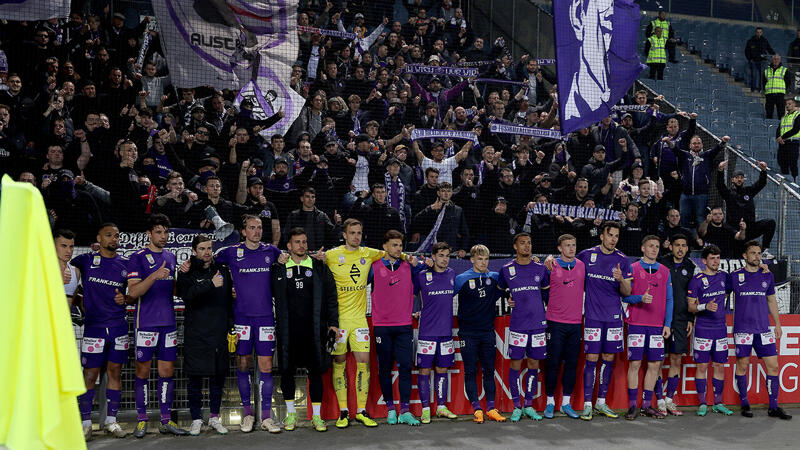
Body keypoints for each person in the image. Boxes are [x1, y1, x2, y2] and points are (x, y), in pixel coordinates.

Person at [214, 215, 285, 433]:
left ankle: (266, 417)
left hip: (265, 318)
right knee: (243, 364)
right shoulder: (231, 252)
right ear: (243, 231)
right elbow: (208, 260)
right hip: (241, 318)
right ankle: (247, 414)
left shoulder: (270, 251)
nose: (256, 231)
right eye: (252, 228)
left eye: (259, 228)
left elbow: (288, 258)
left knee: (265, 367)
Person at [322, 218, 390, 428]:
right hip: (338, 321)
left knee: (364, 363)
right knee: (339, 363)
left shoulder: (368, 253)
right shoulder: (332, 255)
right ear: (344, 235)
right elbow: (315, 261)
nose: (356, 236)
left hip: (360, 319)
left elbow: (392, 253)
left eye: (359, 233)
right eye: (352, 233)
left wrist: (412, 259)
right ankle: (343, 411)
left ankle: (361, 411)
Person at [272, 227, 339, 432]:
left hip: (314, 331)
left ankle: (317, 417)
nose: (302, 245)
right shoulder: (279, 268)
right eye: (297, 242)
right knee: (287, 373)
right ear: (289, 246)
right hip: (288, 331)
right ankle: (291, 416)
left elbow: (331, 297)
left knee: (316, 373)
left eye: (304, 242)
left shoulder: (318, 267)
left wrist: (333, 323)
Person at [126, 214, 187, 437]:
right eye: (159, 232)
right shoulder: (137, 257)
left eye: (166, 232)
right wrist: (153, 276)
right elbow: (133, 292)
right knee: (142, 371)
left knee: (167, 372)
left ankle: (165, 420)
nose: (163, 236)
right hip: (146, 324)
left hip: (168, 324)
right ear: (149, 234)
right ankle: (141, 420)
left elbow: (173, 290)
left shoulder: (171, 257)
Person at [71, 224, 129, 439]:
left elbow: (133, 293)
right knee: (89, 375)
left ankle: (111, 422)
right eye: (109, 235)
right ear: (99, 238)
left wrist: (126, 298)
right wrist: (76, 300)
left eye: (116, 235)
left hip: (118, 327)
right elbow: (67, 275)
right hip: (94, 328)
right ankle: (86, 423)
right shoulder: (85, 260)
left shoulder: (125, 263)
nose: (114, 238)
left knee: (115, 373)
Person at [575, 221, 632, 420]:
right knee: (591, 359)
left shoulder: (623, 260)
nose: (613, 239)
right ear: (602, 236)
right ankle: (587, 404)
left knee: (608, 359)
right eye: (610, 235)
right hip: (592, 317)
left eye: (616, 236)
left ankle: (601, 402)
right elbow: (568, 268)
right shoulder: (585, 255)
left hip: (614, 318)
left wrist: (621, 280)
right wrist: (548, 260)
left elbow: (627, 292)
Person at [177, 235, 232, 436]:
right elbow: (187, 295)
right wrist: (210, 283)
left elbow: (228, 302)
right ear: (194, 251)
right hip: (195, 334)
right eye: (202, 248)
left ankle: (215, 418)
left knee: (218, 378)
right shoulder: (185, 272)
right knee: (195, 381)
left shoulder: (223, 271)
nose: (207, 252)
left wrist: (230, 327)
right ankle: (196, 419)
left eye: (209, 248)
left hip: (218, 334)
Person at [732, 241, 792, 420]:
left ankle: (773, 407)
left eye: (759, 253)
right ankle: (745, 403)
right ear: (745, 256)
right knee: (742, 366)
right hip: (743, 330)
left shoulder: (767, 275)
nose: (757, 257)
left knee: (773, 367)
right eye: (753, 253)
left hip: (764, 330)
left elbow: (772, 300)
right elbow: (723, 297)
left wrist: (778, 324)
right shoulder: (735, 276)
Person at [369, 230, 424, 426]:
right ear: (384, 247)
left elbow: (422, 285)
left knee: (405, 368)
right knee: (384, 368)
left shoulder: (410, 266)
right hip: (382, 327)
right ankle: (391, 409)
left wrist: (420, 263)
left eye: (400, 245)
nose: (398, 249)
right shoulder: (373, 267)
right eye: (394, 245)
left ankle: (406, 411)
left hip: (404, 326)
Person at [495, 233, 548, 422]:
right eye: (523, 243)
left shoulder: (541, 269)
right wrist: (508, 300)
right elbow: (499, 292)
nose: (527, 246)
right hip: (517, 325)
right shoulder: (506, 269)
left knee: (534, 365)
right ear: (515, 247)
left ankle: (529, 405)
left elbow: (547, 297)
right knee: (515, 364)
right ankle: (517, 406)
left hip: (538, 325)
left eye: (529, 243)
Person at [623, 235, 673, 420]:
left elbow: (669, 299)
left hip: (656, 326)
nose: (654, 249)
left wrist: (667, 324)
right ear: (643, 248)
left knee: (654, 365)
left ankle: (646, 404)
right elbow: (624, 297)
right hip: (636, 324)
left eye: (657, 246)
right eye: (650, 246)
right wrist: (639, 298)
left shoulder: (665, 271)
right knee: (635, 364)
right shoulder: (632, 268)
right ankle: (632, 406)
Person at [455, 244, 506, 423]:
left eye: (486, 259)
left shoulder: (495, 277)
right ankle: (477, 409)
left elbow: (514, 285)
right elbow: (443, 297)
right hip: (468, 333)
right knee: (470, 371)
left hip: (487, 332)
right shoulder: (461, 279)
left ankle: (491, 408)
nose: (483, 262)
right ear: (472, 259)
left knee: (489, 371)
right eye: (479, 259)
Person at [414, 242, 459, 423]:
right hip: (426, 331)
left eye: (447, 255)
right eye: (441, 255)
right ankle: (425, 409)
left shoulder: (452, 274)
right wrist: (423, 264)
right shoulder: (422, 276)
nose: (444, 259)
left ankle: (441, 407)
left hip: (446, 332)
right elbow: (410, 284)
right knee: (424, 370)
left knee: (442, 369)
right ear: (433, 256)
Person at [687, 245, 733, 417]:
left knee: (719, 366)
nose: (716, 261)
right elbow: (690, 307)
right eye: (712, 258)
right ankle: (702, 403)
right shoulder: (697, 280)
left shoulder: (724, 277)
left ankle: (718, 402)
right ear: (704, 260)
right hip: (703, 329)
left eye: (718, 258)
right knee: (702, 366)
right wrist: (704, 306)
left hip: (721, 329)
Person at [542, 234, 584, 419]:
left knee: (572, 364)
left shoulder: (582, 266)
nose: (571, 249)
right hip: (555, 322)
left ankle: (566, 403)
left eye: (573, 245)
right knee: (552, 364)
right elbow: (541, 291)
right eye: (567, 245)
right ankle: (550, 402)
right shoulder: (551, 265)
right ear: (559, 248)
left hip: (575, 323)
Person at [656, 234, 696, 416]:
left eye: (684, 245)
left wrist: (690, 319)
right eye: (677, 245)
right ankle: (658, 400)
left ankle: (670, 400)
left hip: (681, 320)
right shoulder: (661, 263)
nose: (680, 248)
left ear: (687, 248)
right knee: (656, 360)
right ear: (670, 246)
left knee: (675, 359)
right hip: (659, 319)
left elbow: (693, 296)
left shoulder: (691, 267)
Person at [717, 160, 776, 258]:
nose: (739, 179)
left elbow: (761, 183)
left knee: (770, 223)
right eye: (737, 178)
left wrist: (763, 170)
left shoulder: (749, 191)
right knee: (736, 256)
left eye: (741, 178)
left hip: (750, 229)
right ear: (732, 180)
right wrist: (720, 170)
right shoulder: (728, 194)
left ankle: (764, 250)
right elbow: (720, 185)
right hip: (735, 232)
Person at [775, 98, 800, 181]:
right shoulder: (784, 117)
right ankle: (785, 181)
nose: (787, 106)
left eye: (789, 104)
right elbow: (779, 129)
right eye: (786, 104)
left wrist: (782, 137)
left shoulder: (798, 115)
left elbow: (795, 129)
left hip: (793, 143)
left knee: (793, 163)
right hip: (783, 143)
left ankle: (794, 182)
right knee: (782, 162)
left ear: (794, 105)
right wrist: (778, 138)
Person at [745, 27, 774, 92]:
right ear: (756, 32)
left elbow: (769, 49)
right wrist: (750, 59)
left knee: (763, 76)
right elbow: (746, 51)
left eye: (760, 32)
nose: (759, 33)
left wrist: (774, 54)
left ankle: (761, 89)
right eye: (758, 32)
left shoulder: (764, 41)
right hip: (754, 61)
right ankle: (753, 89)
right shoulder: (750, 41)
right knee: (754, 75)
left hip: (763, 61)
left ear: (762, 33)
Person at [764, 54, 791, 119]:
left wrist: (783, 90)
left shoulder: (785, 70)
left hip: (780, 94)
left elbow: (788, 82)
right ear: (772, 60)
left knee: (781, 113)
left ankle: (781, 127)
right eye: (774, 59)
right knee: (769, 112)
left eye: (777, 59)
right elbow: (764, 82)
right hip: (769, 94)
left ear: (780, 60)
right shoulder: (766, 71)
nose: (776, 60)